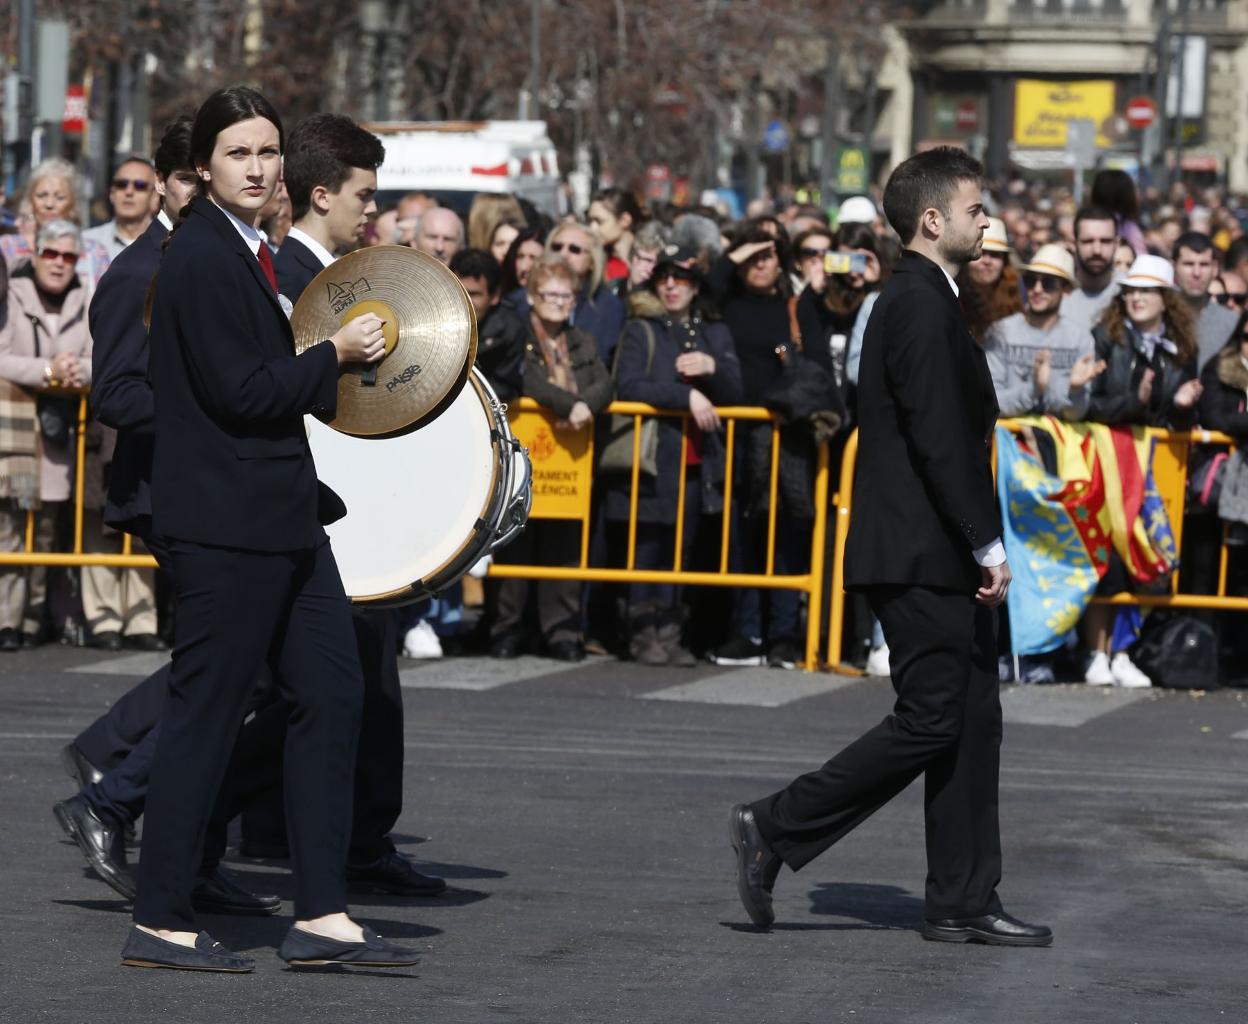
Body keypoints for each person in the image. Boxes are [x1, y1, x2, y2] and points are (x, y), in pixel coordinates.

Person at [123, 85, 415, 972]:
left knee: (331, 694)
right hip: (225, 529)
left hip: (283, 521)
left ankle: (322, 914)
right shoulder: (204, 256)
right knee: (206, 717)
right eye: (237, 153)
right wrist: (337, 355)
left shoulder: (252, 248)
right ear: (203, 167)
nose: (256, 167)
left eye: (266, 152)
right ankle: (160, 917)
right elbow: (243, 392)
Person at [730, 147, 1052, 947]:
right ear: (933, 220)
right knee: (936, 716)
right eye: (978, 210)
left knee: (973, 721)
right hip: (918, 551)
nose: (989, 222)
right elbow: (941, 438)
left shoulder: (927, 300)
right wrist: (987, 545)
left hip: (931, 549)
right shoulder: (914, 302)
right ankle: (774, 825)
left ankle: (963, 897)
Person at [606, 245, 742, 665]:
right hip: (652, 459)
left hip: (699, 462)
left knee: (681, 550)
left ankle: (671, 632)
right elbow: (628, 386)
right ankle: (644, 633)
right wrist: (685, 396)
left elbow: (738, 392)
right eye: (663, 277)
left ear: (695, 285)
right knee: (647, 548)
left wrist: (713, 369)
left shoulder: (713, 332)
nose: (670, 286)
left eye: (679, 278)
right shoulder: (642, 329)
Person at [1083, 254, 1201, 689]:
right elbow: (1089, 404)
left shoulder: (1182, 347)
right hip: (1110, 465)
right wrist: (1133, 401)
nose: (1136, 297)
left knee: (1147, 561)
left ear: (1166, 299)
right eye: (1131, 290)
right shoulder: (1105, 338)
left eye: (1147, 290)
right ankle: (1096, 653)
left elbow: (1178, 417)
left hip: (1159, 471)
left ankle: (1122, 651)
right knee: (1108, 560)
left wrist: (1183, 407)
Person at [489, 256, 611, 660]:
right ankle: (508, 629)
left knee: (564, 546)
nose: (559, 301)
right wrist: (567, 404)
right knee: (516, 541)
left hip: (569, 458)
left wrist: (585, 406)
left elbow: (605, 383)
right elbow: (526, 379)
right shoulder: (518, 333)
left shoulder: (582, 340)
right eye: (550, 294)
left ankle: (561, 632)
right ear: (532, 295)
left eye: (566, 294)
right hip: (524, 451)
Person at [0, 219, 93, 650]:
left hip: (60, 436)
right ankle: (6, 619)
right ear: (35, 255)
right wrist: (47, 371)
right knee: (9, 528)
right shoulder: (11, 296)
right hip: (14, 432)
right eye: (50, 254)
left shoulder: (87, 298)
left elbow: (100, 360)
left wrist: (77, 373)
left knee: (47, 530)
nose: (58, 263)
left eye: (68, 256)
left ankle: (33, 619)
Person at [982, 243, 1105, 419]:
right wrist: (1034, 389)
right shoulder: (1001, 332)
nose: (1037, 289)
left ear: (1067, 289)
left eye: (1048, 283)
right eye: (1030, 280)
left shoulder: (1080, 339)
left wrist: (1074, 389)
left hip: (1056, 445)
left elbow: (1077, 414)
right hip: (1008, 443)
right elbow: (990, 402)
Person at [0, 158, 111, 293]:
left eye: (60, 197)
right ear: (30, 201)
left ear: (73, 204)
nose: (49, 204)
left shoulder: (94, 253)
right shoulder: (8, 247)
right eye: (41, 195)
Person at [450, 247, 524, 402]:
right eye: (459, 291)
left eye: (474, 294)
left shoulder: (511, 330)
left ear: (495, 295)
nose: (466, 302)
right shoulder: (429, 322)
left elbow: (505, 387)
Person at [1172, 231, 1239, 370]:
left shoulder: (1232, 323)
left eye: (1204, 264)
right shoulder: (1158, 316)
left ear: (1215, 268)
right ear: (1174, 266)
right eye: (1188, 264)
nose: (1197, 273)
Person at [957, 216, 1022, 345]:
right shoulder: (951, 297)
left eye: (995, 255)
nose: (987, 261)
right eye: (981, 253)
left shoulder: (1017, 299)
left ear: (1005, 263)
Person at [82, 157, 157, 260]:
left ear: (154, 196)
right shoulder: (85, 243)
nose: (129, 192)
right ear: (112, 193)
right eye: (121, 184)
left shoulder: (168, 244)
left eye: (140, 185)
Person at [1063, 206, 1121, 333]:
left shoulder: (1131, 294)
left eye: (1105, 241)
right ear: (1074, 244)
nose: (1097, 250)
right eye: (1088, 241)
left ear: (1117, 244)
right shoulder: (1055, 294)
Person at [588, 187, 645, 281]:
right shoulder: (594, 265)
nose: (592, 228)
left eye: (599, 221)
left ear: (624, 220)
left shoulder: (649, 262)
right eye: (590, 221)